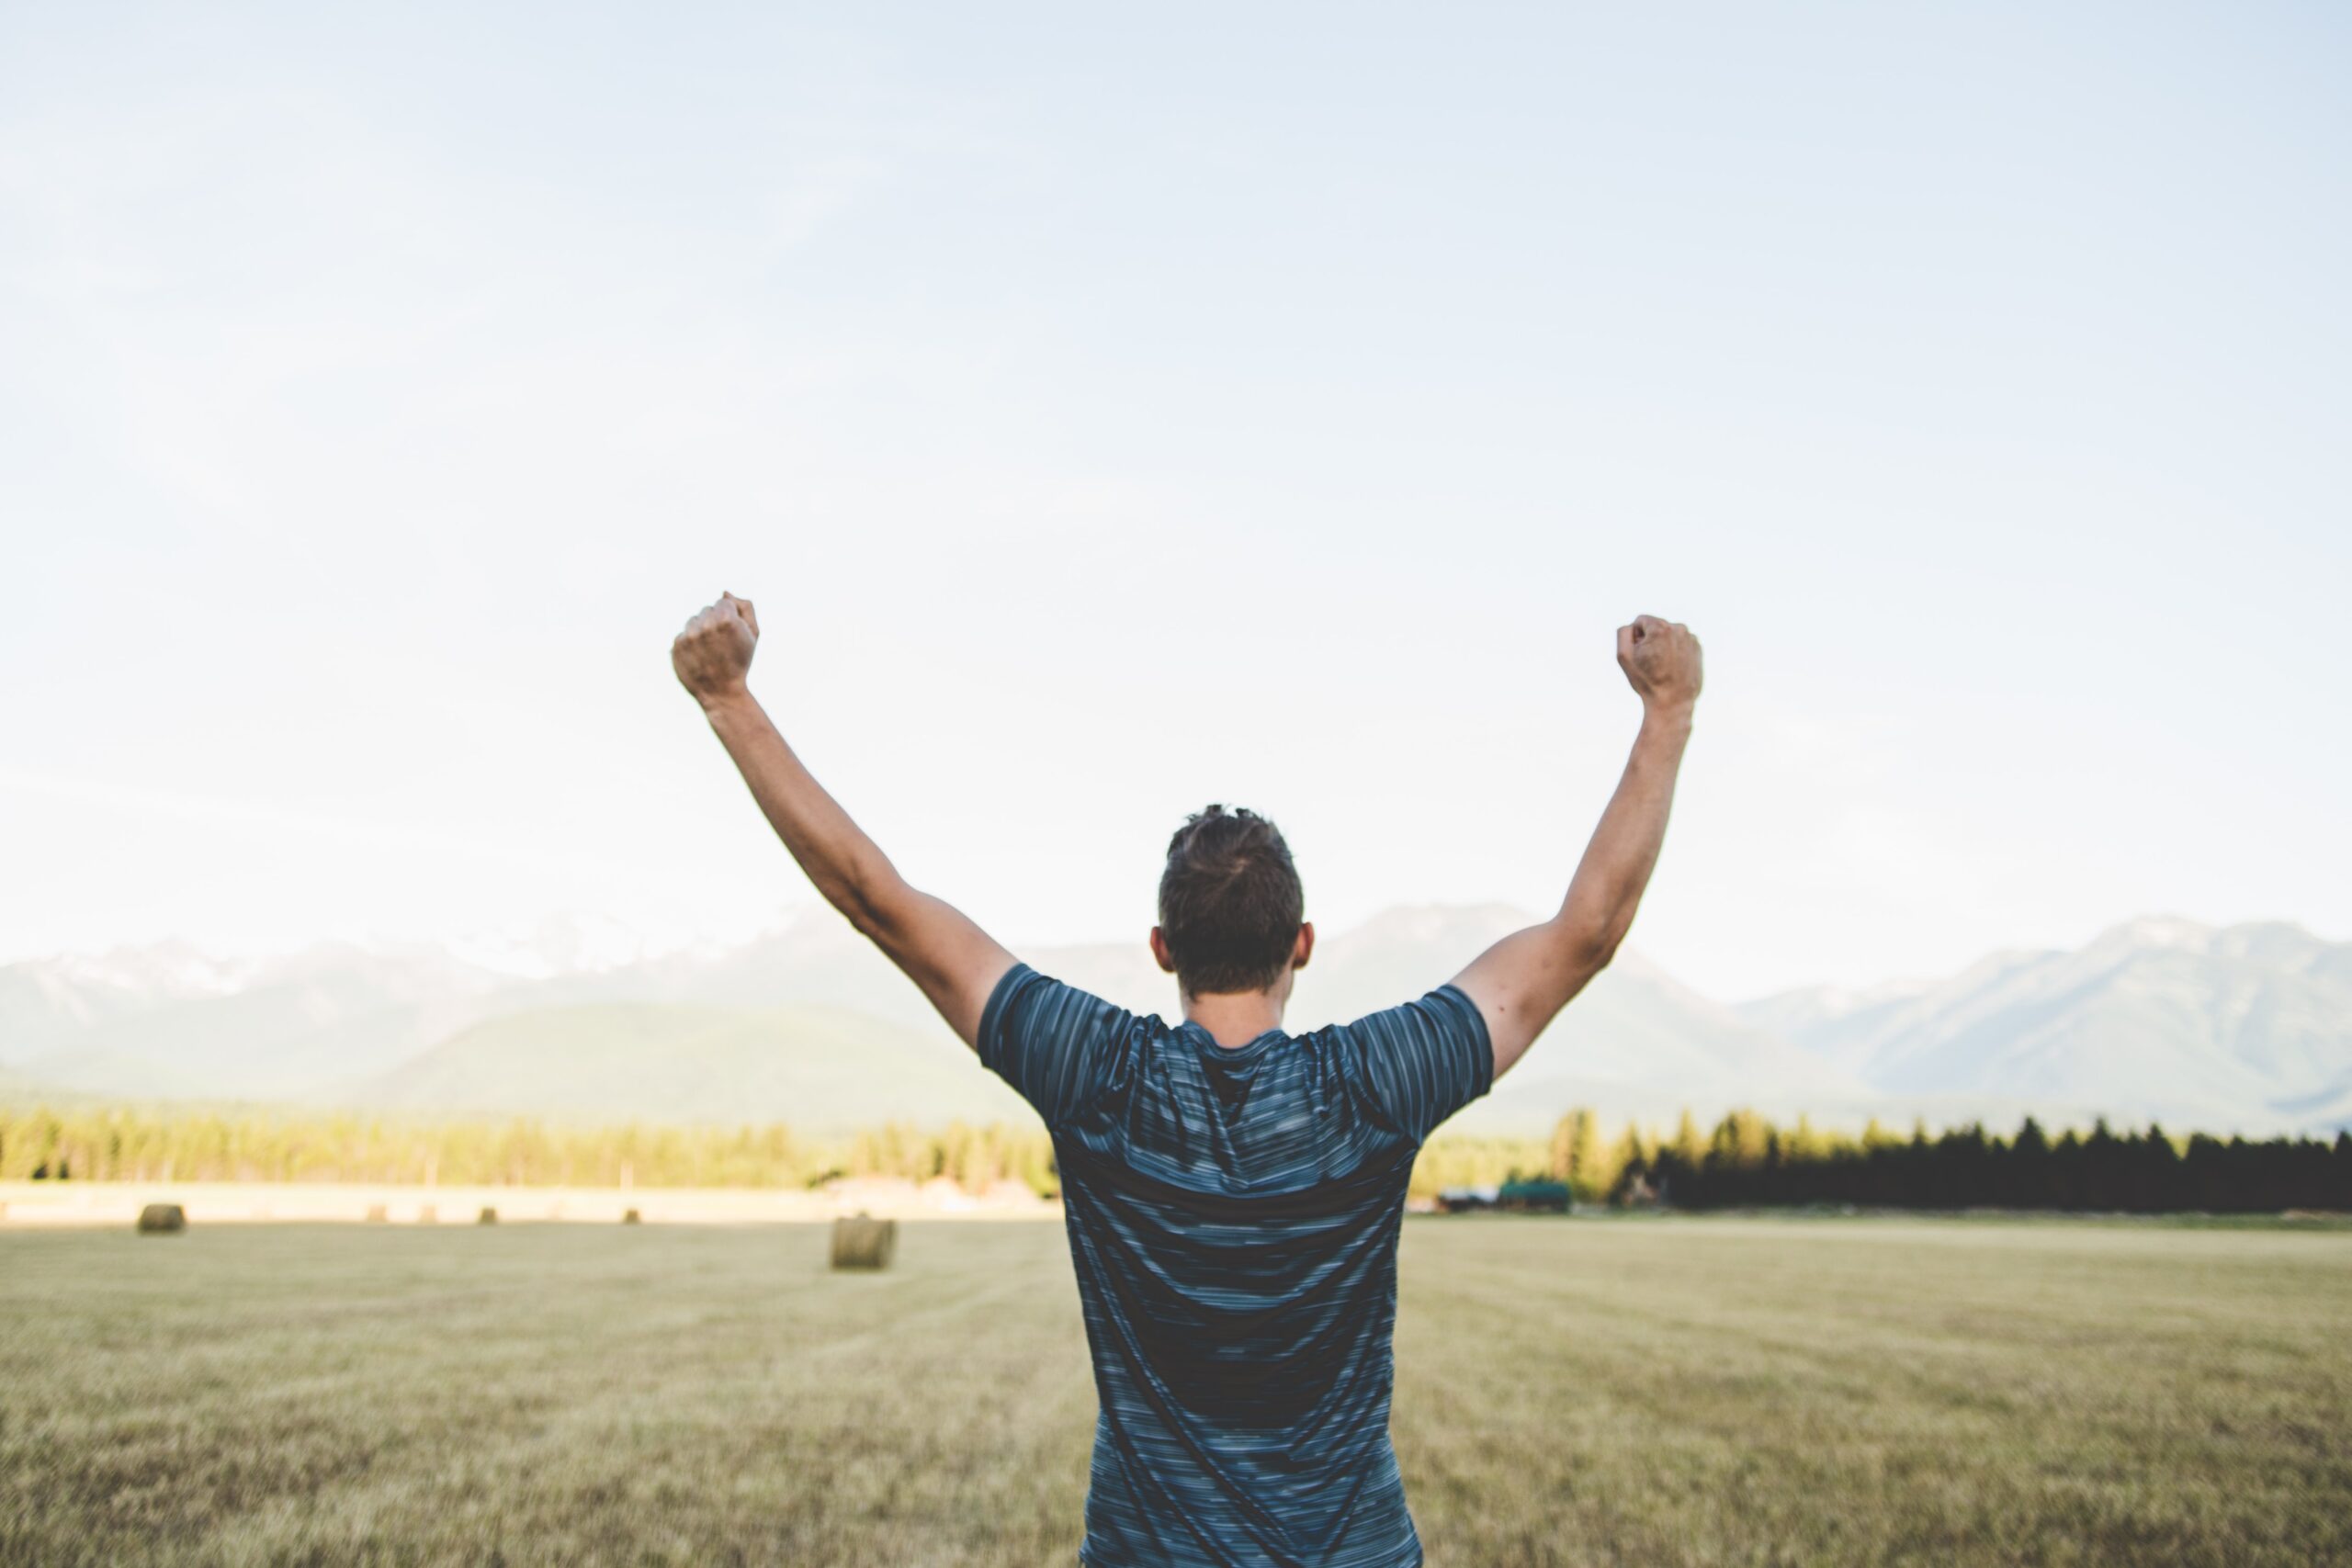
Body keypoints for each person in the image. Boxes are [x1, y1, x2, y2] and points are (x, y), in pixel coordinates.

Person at [672, 592, 1702, 1568]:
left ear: (1162, 947)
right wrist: (1668, 711)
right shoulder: (1376, 1084)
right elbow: (1587, 934)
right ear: (1300, 942)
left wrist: (730, 700)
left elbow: (876, 901)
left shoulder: (1096, 1075)